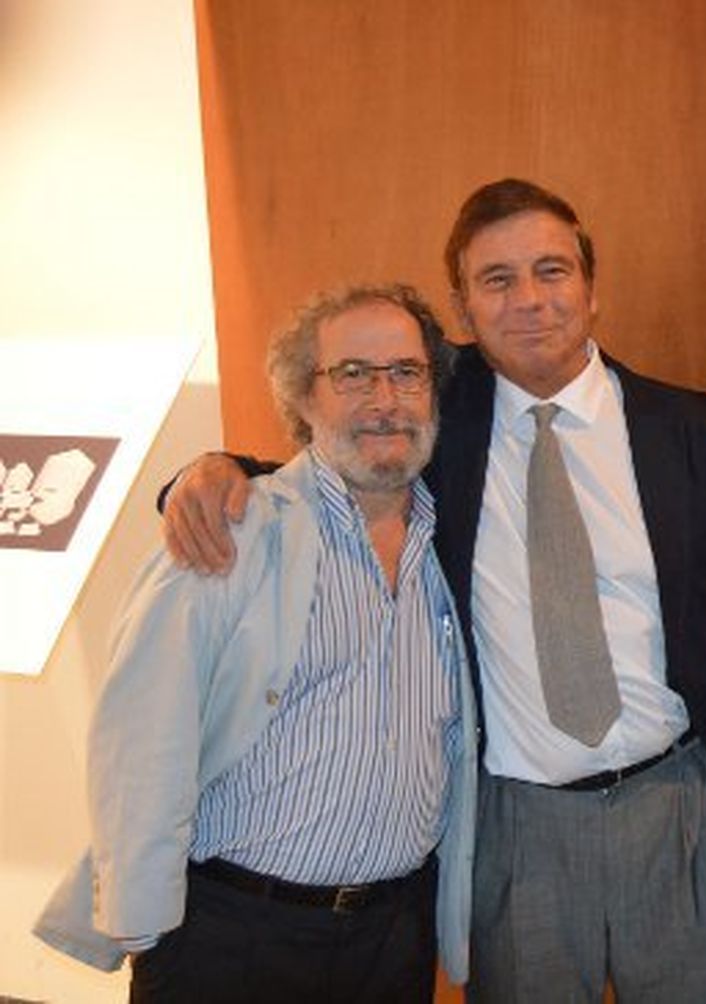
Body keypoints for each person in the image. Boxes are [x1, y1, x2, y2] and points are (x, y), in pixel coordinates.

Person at [157, 179, 706, 1003]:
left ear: (591, 287)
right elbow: (320, 468)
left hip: (680, 813)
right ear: (464, 303)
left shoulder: (698, 431)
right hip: (515, 831)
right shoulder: (434, 419)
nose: (528, 299)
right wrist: (206, 473)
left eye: (551, 271)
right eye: (496, 279)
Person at [33, 285, 477, 1002]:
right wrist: (150, 937)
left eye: (406, 372)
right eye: (353, 374)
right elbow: (139, 743)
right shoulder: (227, 533)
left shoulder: (451, 544)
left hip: (391, 940)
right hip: (233, 938)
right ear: (303, 398)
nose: (384, 399)